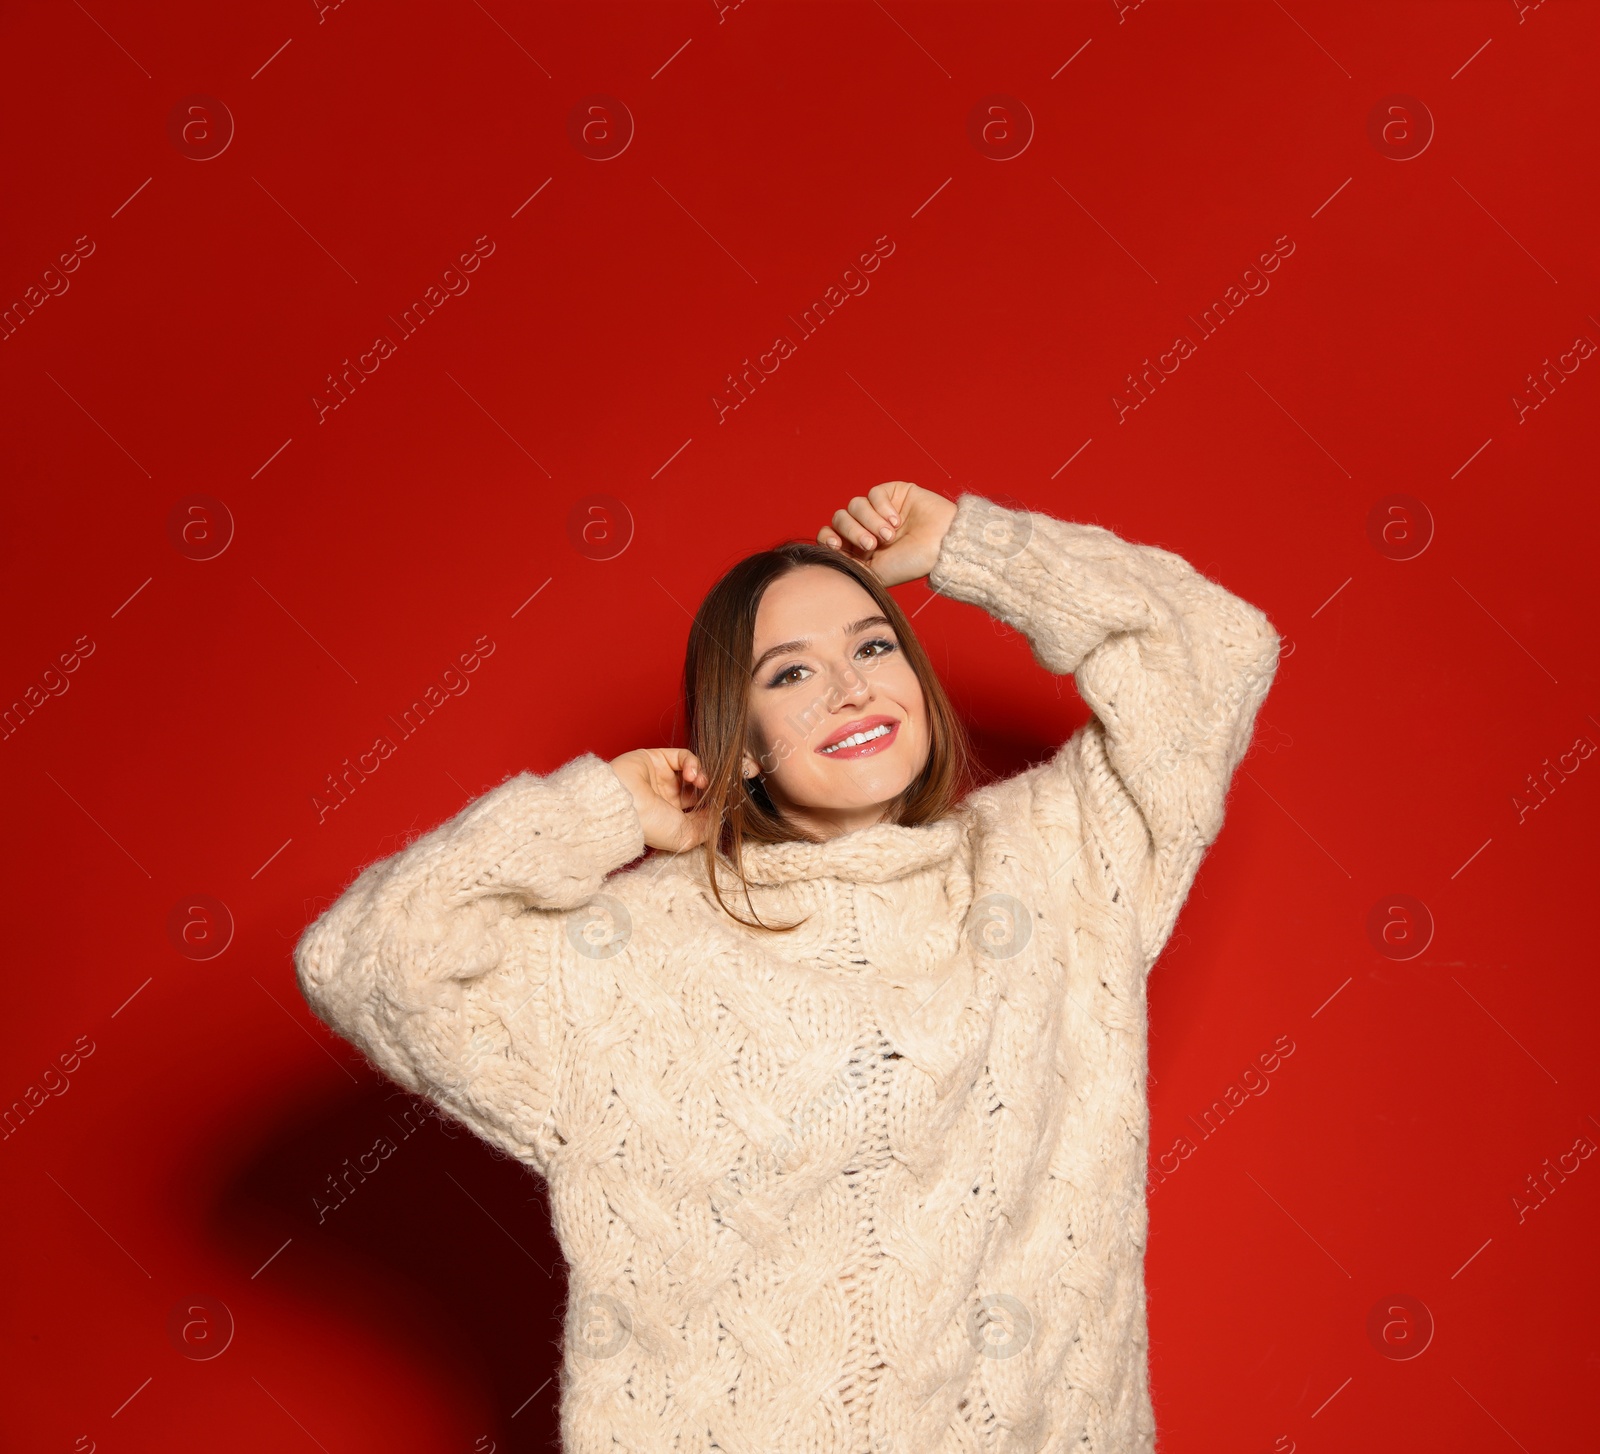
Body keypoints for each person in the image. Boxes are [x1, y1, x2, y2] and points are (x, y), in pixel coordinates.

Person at [293, 480, 1280, 1453]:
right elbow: (366, 956)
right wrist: (597, 810)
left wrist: (969, 546)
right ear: (741, 734)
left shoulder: (1057, 864)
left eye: (872, 644)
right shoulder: (639, 953)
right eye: (789, 673)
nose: (850, 685)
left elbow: (1215, 648)